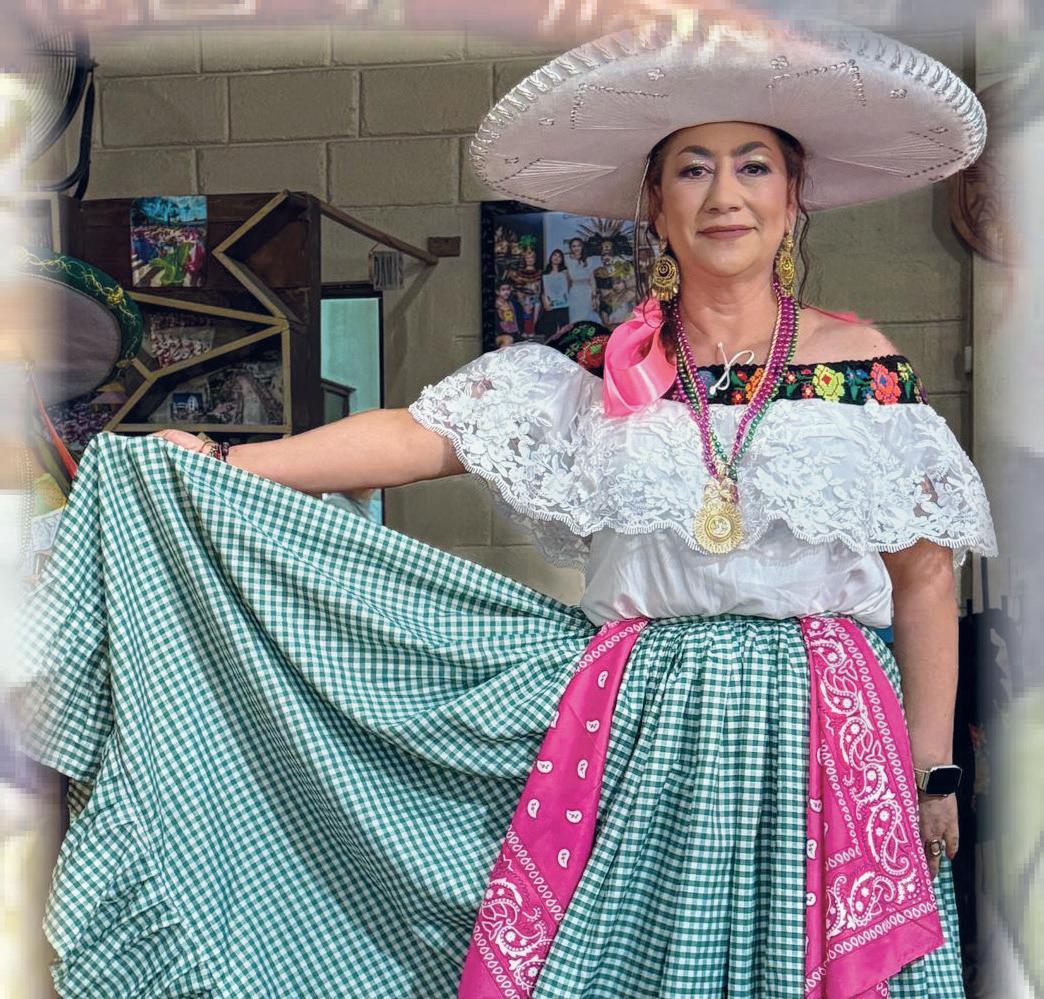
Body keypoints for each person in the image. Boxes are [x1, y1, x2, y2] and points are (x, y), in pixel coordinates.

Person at [16, 14, 997, 999]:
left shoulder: (864, 367)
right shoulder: (592, 369)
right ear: (656, 205)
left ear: (793, 196)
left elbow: (922, 577)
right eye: (693, 170)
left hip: (826, 726)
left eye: (754, 167)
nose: (725, 195)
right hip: (645, 725)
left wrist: (933, 769)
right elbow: (419, 436)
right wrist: (233, 460)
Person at [536, 248, 571, 339]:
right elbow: (542, 290)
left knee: (564, 328)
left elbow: (568, 287)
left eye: (559, 256)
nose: (556, 257)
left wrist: (566, 275)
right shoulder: (544, 273)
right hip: (549, 304)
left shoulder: (564, 272)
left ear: (562, 260)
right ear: (551, 257)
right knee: (550, 329)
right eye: (555, 255)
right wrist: (545, 303)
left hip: (563, 304)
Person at [564, 236, 600, 323]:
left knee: (587, 315)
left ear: (582, 247)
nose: (576, 248)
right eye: (574, 246)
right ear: (570, 248)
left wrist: (594, 295)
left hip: (587, 291)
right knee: (575, 315)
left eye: (578, 246)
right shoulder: (566, 259)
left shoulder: (589, 260)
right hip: (574, 291)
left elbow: (592, 279)